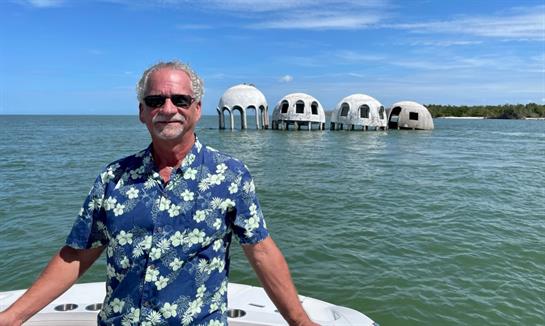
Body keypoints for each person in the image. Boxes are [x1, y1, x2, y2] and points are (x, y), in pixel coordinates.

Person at [0, 60, 317, 326]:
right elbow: (77, 254)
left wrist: (300, 322)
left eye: (180, 100)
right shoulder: (114, 178)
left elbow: (260, 250)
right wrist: (13, 317)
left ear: (196, 109)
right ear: (142, 111)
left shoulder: (230, 175)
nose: (168, 109)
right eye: (155, 101)